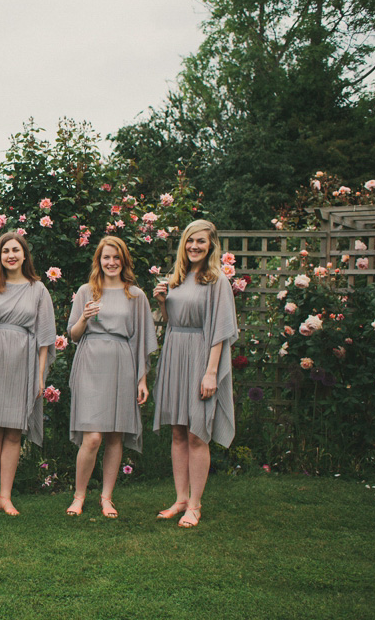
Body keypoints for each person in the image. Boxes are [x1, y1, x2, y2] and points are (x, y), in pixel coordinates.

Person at [152, 219, 238, 528]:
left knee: (197, 433)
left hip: (202, 356)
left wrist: (211, 373)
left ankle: (196, 505)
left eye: (201, 241)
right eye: (190, 241)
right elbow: (173, 323)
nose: (194, 246)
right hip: (176, 354)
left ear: (211, 245)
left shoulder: (217, 281)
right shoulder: (177, 278)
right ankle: (181, 499)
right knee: (177, 431)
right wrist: (163, 303)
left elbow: (220, 331)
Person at [66, 237, 157, 517]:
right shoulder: (86, 291)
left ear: (124, 260)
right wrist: (83, 317)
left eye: (116, 257)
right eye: (106, 257)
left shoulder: (135, 295)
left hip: (122, 361)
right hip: (91, 361)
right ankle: (79, 496)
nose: (111, 262)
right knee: (92, 437)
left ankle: (107, 497)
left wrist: (142, 379)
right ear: (99, 260)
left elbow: (142, 339)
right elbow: (73, 334)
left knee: (115, 435)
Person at [0, 232, 56, 515]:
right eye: (5, 251)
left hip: (23, 362)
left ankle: (6, 496)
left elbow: (44, 338)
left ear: (24, 255)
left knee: (14, 434)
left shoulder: (38, 289)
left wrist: (40, 376)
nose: (11, 255)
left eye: (16, 250)